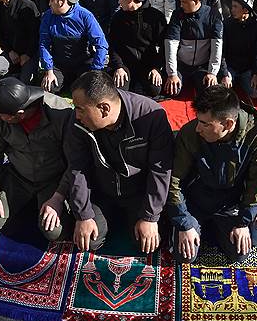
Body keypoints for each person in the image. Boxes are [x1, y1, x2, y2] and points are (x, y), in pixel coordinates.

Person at [50, 71, 174, 253]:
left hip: (137, 192)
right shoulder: (77, 123)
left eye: (81, 109)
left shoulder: (151, 116)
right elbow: (77, 167)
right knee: (89, 241)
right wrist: (83, 215)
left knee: (147, 244)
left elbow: (160, 170)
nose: (76, 115)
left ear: (104, 108)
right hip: (102, 191)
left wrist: (150, 216)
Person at [169, 85, 257, 263]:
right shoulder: (190, 134)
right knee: (184, 255)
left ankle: (212, 230)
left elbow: (255, 183)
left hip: (229, 205)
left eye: (205, 124)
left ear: (228, 124)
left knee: (239, 254)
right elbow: (174, 182)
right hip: (196, 202)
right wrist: (184, 222)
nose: (198, 129)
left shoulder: (256, 135)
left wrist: (242, 223)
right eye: (198, 121)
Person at [0, 77, 74, 235]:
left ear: (19, 115)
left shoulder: (60, 113)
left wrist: (59, 196)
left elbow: (75, 162)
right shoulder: (0, 116)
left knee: (54, 232)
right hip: (19, 176)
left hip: (52, 180)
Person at [38, 0, 108, 94]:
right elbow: (43, 44)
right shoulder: (47, 16)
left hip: (82, 62)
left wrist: (96, 70)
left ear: (61, 2)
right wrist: (49, 70)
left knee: (89, 89)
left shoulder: (85, 16)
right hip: (59, 63)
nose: (49, 4)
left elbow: (101, 44)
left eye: (51, 1)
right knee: (48, 87)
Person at [107, 0, 167, 97]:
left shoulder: (155, 17)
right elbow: (113, 45)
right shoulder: (118, 18)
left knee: (154, 90)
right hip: (125, 63)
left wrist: (156, 68)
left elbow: (163, 46)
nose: (118, 3)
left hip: (148, 63)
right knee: (119, 91)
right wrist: (118, 66)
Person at [164, 0, 223, 96]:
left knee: (208, 92)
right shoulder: (177, 14)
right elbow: (171, 44)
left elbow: (217, 45)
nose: (181, 5)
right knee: (172, 90)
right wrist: (172, 73)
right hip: (182, 65)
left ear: (196, 1)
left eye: (184, 2)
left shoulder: (213, 14)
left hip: (202, 66)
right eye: (180, 1)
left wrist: (212, 72)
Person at [0, 0, 40, 84]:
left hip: (28, 53)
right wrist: (9, 51)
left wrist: (28, 55)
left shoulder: (27, 6)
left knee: (24, 82)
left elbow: (35, 34)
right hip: (11, 53)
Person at [220, 0, 257, 97]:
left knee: (256, 93)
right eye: (232, 6)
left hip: (247, 69)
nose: (232, 9)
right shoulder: (227, 24)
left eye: (235, 7)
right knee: (223, 91)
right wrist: (225, 73)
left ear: (245, 9)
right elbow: (221, 52)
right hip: (230, 67)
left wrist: (255, 74)